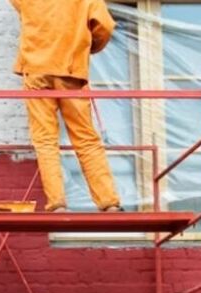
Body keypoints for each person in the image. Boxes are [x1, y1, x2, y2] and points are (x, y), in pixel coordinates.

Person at [10, 0, 124, 213]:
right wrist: (87, 45)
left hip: (37, 70)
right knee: (85, 138)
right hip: (72, 69)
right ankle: (108, 202)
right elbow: (105, 27)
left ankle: (57, 204)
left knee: (45, 139)